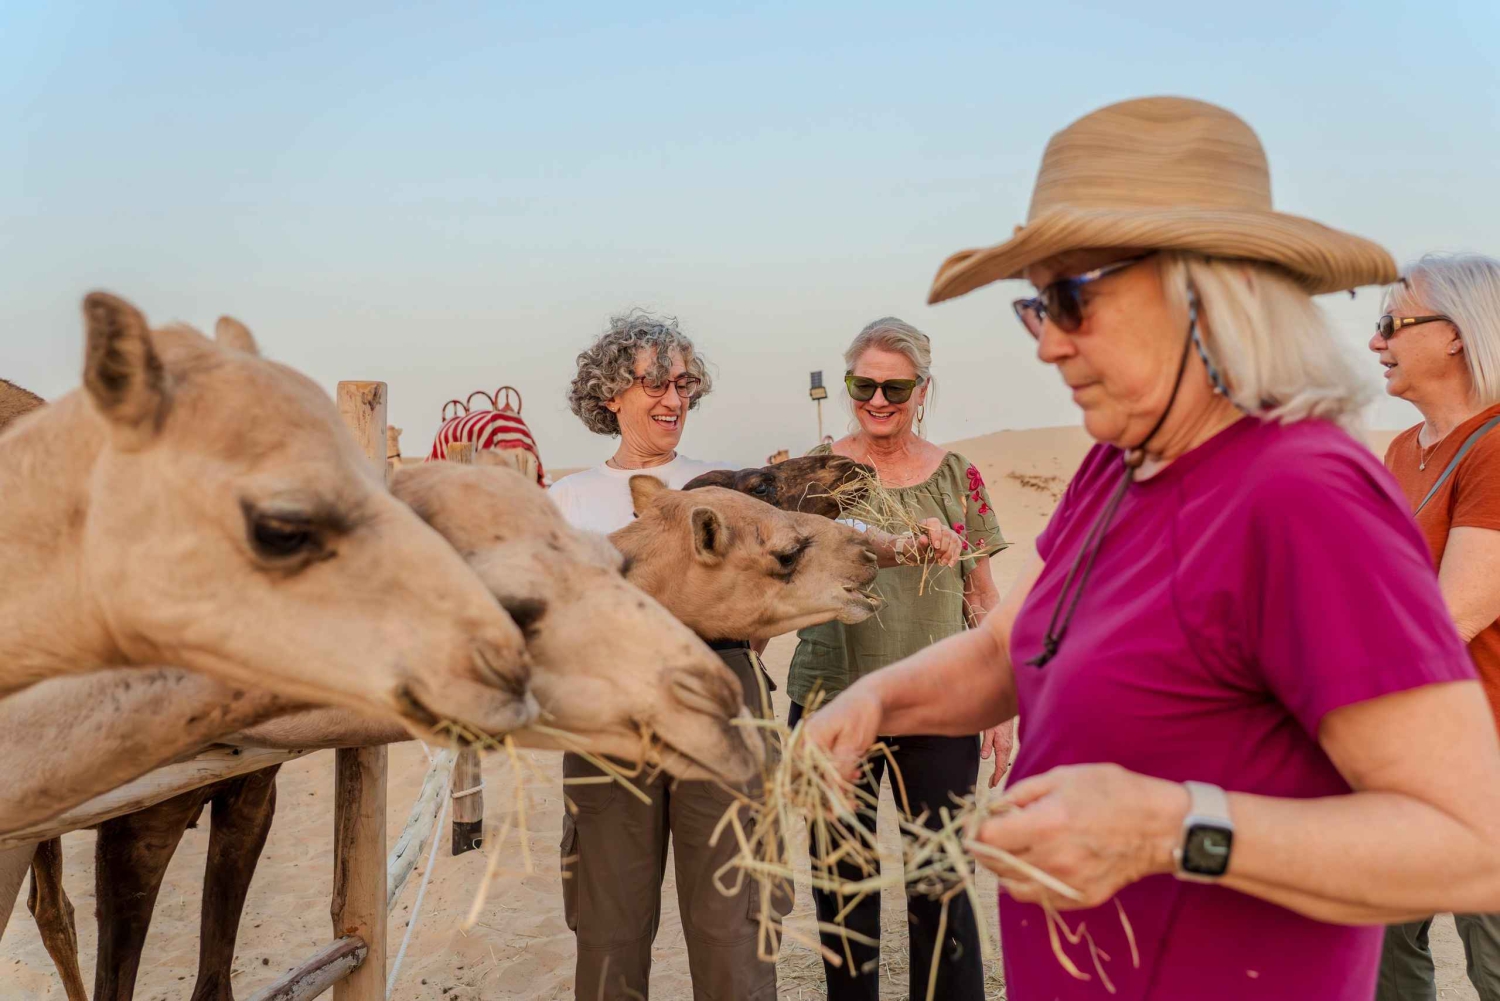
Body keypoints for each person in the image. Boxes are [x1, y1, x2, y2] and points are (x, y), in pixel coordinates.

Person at [802, 96, 1500, 1000]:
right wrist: (871, 699)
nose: (1048, 344)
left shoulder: (1301, 492)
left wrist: (1172, 829)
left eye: (1070, 300)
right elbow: (1007, 651)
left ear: (1199, 292)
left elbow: (1470, 839)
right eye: (1035, 308)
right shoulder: (1116, 467)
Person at [549, 310, 776, 1000]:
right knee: (609, 927)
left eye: (682, 383)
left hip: (722, 699)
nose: (672, 399)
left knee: (732, 927)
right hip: (607, 714)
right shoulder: (564, 499)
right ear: (610, 393)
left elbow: (768, 593)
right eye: (652, 383)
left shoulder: (723, 485)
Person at [786, 316, 1008, 1001]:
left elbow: (982, 597)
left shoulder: (958, 478)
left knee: (941, 884)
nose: (878, 399)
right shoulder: (815, 472)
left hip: (942, 702)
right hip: (832, 697)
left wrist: (1002, 703)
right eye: (864, 384)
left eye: (895, 386)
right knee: (842, 888)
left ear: (922, 389)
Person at [1369, 253, 1500, 1001]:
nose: (1375, 342)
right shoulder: (1399, 452)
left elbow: (1449, 617)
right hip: (1404, 760)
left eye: (1392, 323)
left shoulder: (1497, 446)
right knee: (1384, 963)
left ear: (1456, 335)